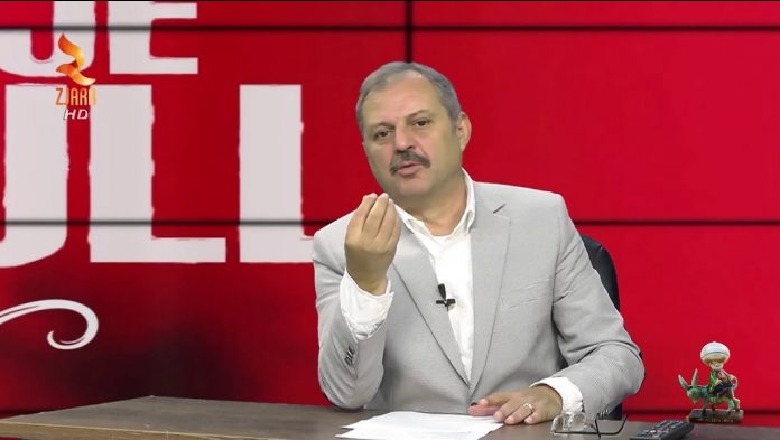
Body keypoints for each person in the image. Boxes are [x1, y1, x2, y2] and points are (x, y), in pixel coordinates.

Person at [312, 61, 645, 425]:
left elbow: (617, 356)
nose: (402, 143)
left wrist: (554, 395)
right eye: (382, 133)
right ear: (367, 150)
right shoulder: (339, 245)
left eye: (420, 123)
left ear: (461, 130)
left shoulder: (542, 220)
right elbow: (346, 394)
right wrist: (365, 283)